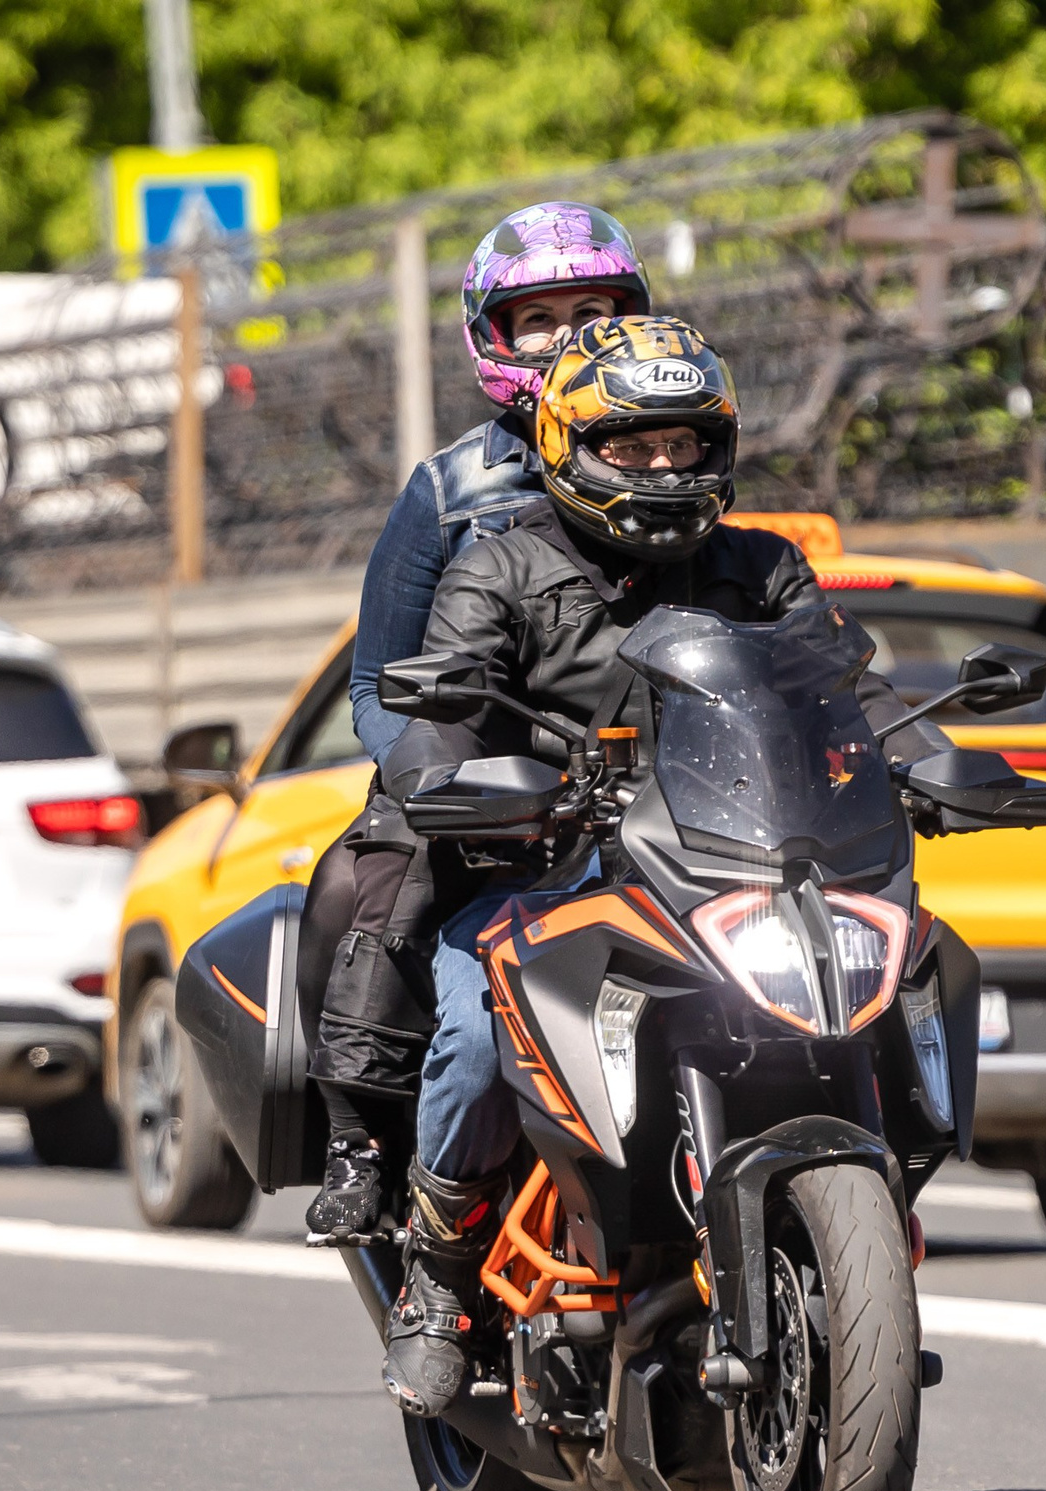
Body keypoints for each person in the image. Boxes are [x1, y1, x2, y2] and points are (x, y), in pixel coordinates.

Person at [378, 314, 952, 1415]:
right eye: (632, 447)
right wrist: (449, 775)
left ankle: (867, 1223)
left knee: (917, 966)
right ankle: (438, 1279)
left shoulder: (764, 567)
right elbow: (441, 706)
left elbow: (857, 695)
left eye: (685, 445)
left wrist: (936, 764)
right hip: (543, 870)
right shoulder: (501, 567)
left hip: (735, 871)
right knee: (468, 1026)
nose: (662, 468)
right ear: (565, 442)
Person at [304, 203, 654, 1247]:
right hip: (491, 790)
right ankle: (364, 1142)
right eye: (539, 319)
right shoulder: (448, 491)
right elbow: (377, 685)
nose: (570, 337)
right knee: (393, 876)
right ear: (491, 339)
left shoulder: (678, 459)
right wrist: (431, 777)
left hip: (653, 797)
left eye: (595, 311)